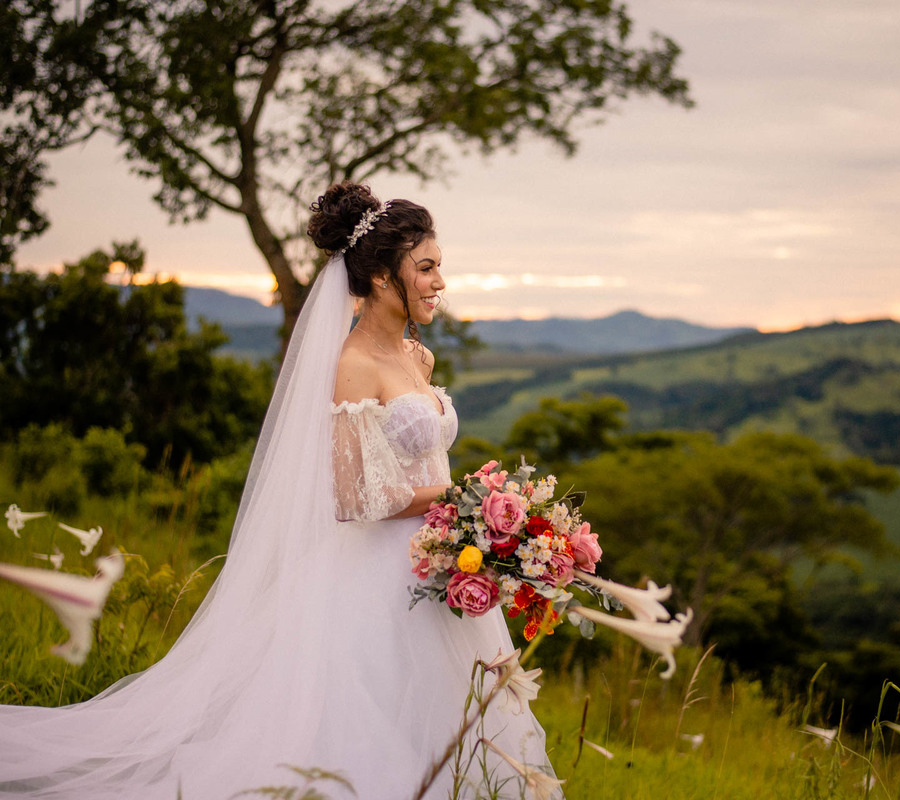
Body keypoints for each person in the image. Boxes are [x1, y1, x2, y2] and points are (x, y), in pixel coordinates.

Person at [0, 182, 555, 798]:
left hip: (439, 561)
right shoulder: (351, 364)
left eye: (438, 268)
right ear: (378, 278)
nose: (438, 282)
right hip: (376, 573)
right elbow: (349, 498)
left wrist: (470, 515)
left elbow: (419, 460)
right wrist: (454, 500)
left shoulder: (416, 358)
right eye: (424, 268)